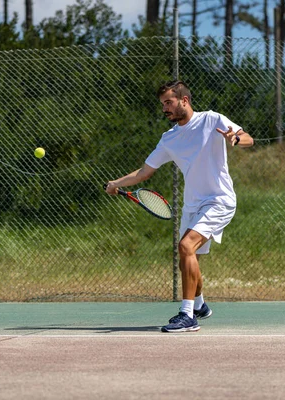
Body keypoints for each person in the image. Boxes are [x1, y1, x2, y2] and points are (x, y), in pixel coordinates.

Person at [105, 80, 254, 332]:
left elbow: (248, 138)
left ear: (184, 100)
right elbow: (144, 172)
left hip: (219, 200)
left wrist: (236, 138)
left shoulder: (212, 119)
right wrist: (115, 183)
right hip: (193, 205)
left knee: (185, 246)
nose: (165, 108)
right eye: (162, 104)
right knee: (188, 255)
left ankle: (188, 316)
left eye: (169, 103)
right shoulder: (169, 139)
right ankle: (200, 304)